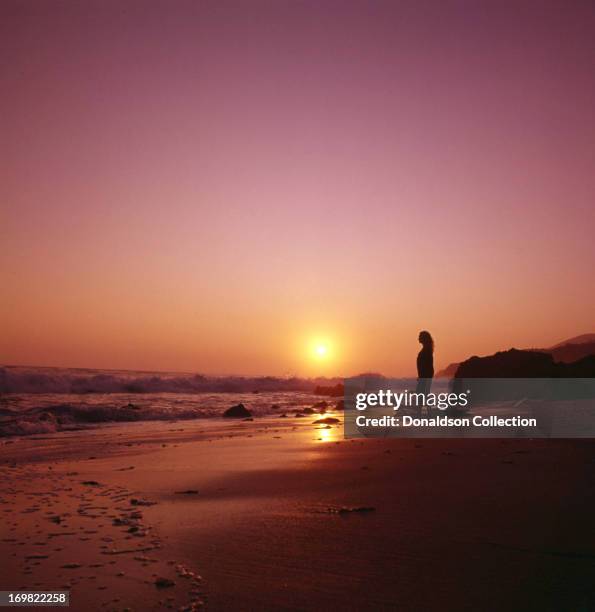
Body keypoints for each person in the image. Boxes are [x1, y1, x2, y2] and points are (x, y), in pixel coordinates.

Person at [416, 331, 434, 415]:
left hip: (425, 377)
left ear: (424, 338)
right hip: (424, 376)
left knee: (421, 395)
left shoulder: (427, 350)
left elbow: (428, 366)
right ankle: (426, 413)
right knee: (422, 395)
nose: (418, 338)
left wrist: (424, 378)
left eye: (420, 336)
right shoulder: (427, 349)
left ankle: (421, 414)